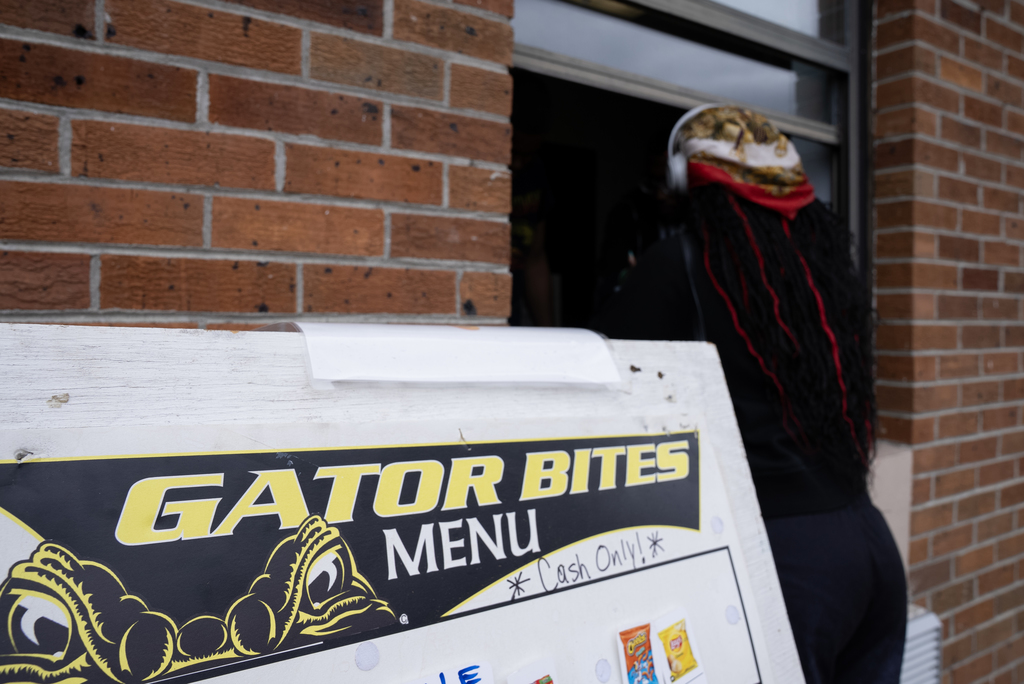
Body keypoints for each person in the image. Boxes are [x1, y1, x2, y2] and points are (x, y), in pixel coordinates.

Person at [592, 105, 907, 684]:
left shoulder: (681, 261)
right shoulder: (819, 269)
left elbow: (595, 377)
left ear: (689, 179)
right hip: (867, 543)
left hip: (789, 558)